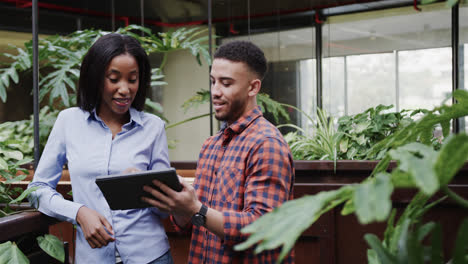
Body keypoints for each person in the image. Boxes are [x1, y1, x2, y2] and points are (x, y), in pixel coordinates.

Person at [142, 40, 295, 263]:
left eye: (226, 83)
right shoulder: (210, 146)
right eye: (213, 82)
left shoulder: (267, 144)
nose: (215, 92)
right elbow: (190, 222)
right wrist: (177, 201)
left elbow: (263, 229)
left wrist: (196, 208)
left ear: (253, 88)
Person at [28, 33, 174, 264]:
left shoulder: (153, 128)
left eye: (132, 79)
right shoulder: (69, 122)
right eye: (114, 79)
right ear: (96, 77)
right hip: (92, 257)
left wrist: (148, 186)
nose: (125, 89)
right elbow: (37, 190)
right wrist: (79, 212)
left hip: (150, 255)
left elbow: (165, 209)